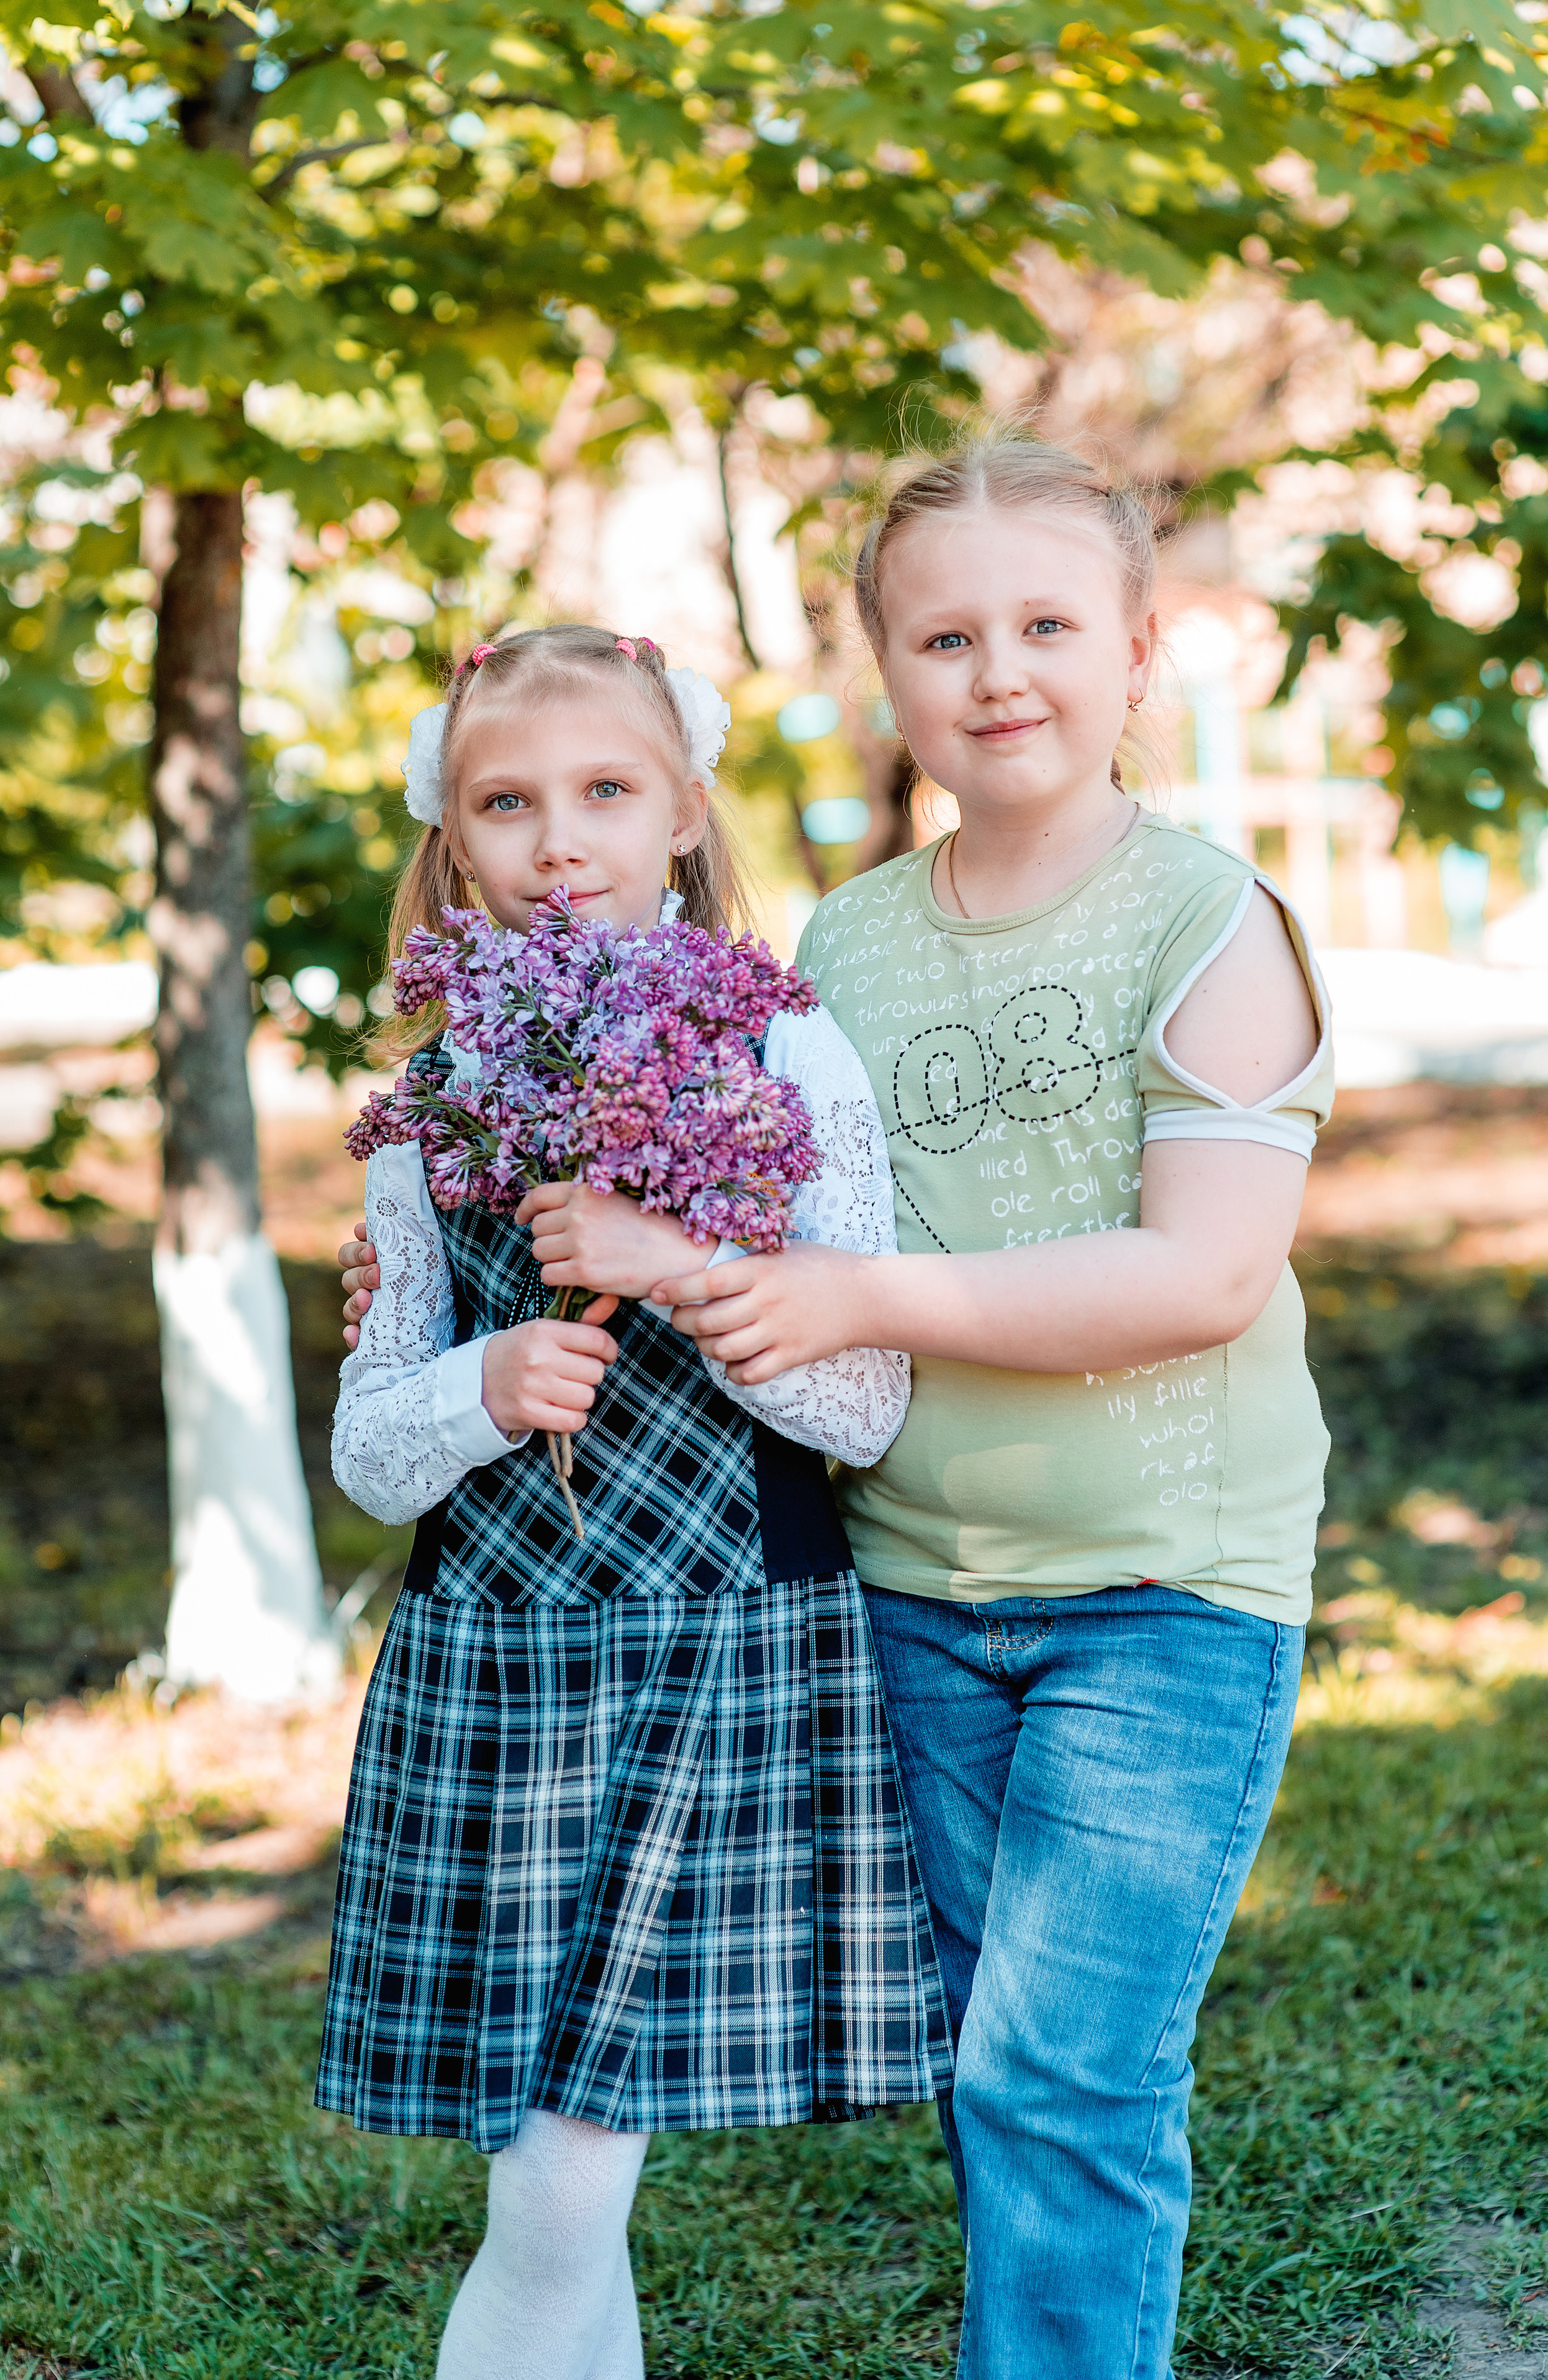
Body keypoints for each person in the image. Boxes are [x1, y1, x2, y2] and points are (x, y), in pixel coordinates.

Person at [644, 435, 1334, 2380]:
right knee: (991, 2057)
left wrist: (862, 1294)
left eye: (1048, 622)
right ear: (888, 671)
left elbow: (1200, 1274)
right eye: (947, 634)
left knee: (1059, 2067)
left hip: (1166, 1585)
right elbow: (745, 1215)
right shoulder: (846, 945)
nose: (999, 668)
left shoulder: (1212, 926)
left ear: (1140, 652)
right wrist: (463, 1249)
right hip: (917, 1583)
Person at [320, 624, 949, 2380]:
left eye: (605, 791)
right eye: (506, 804)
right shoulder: (425, 1101)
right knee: (550, 2159)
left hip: (721, 1653)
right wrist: (480, 1384)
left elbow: (864, 1400)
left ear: (684, 808)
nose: (559, 840)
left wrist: (678, 1267)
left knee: (563, 2175)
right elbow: (374, 1451)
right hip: (500, 1672)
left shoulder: (786, 1045)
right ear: (453, 837)